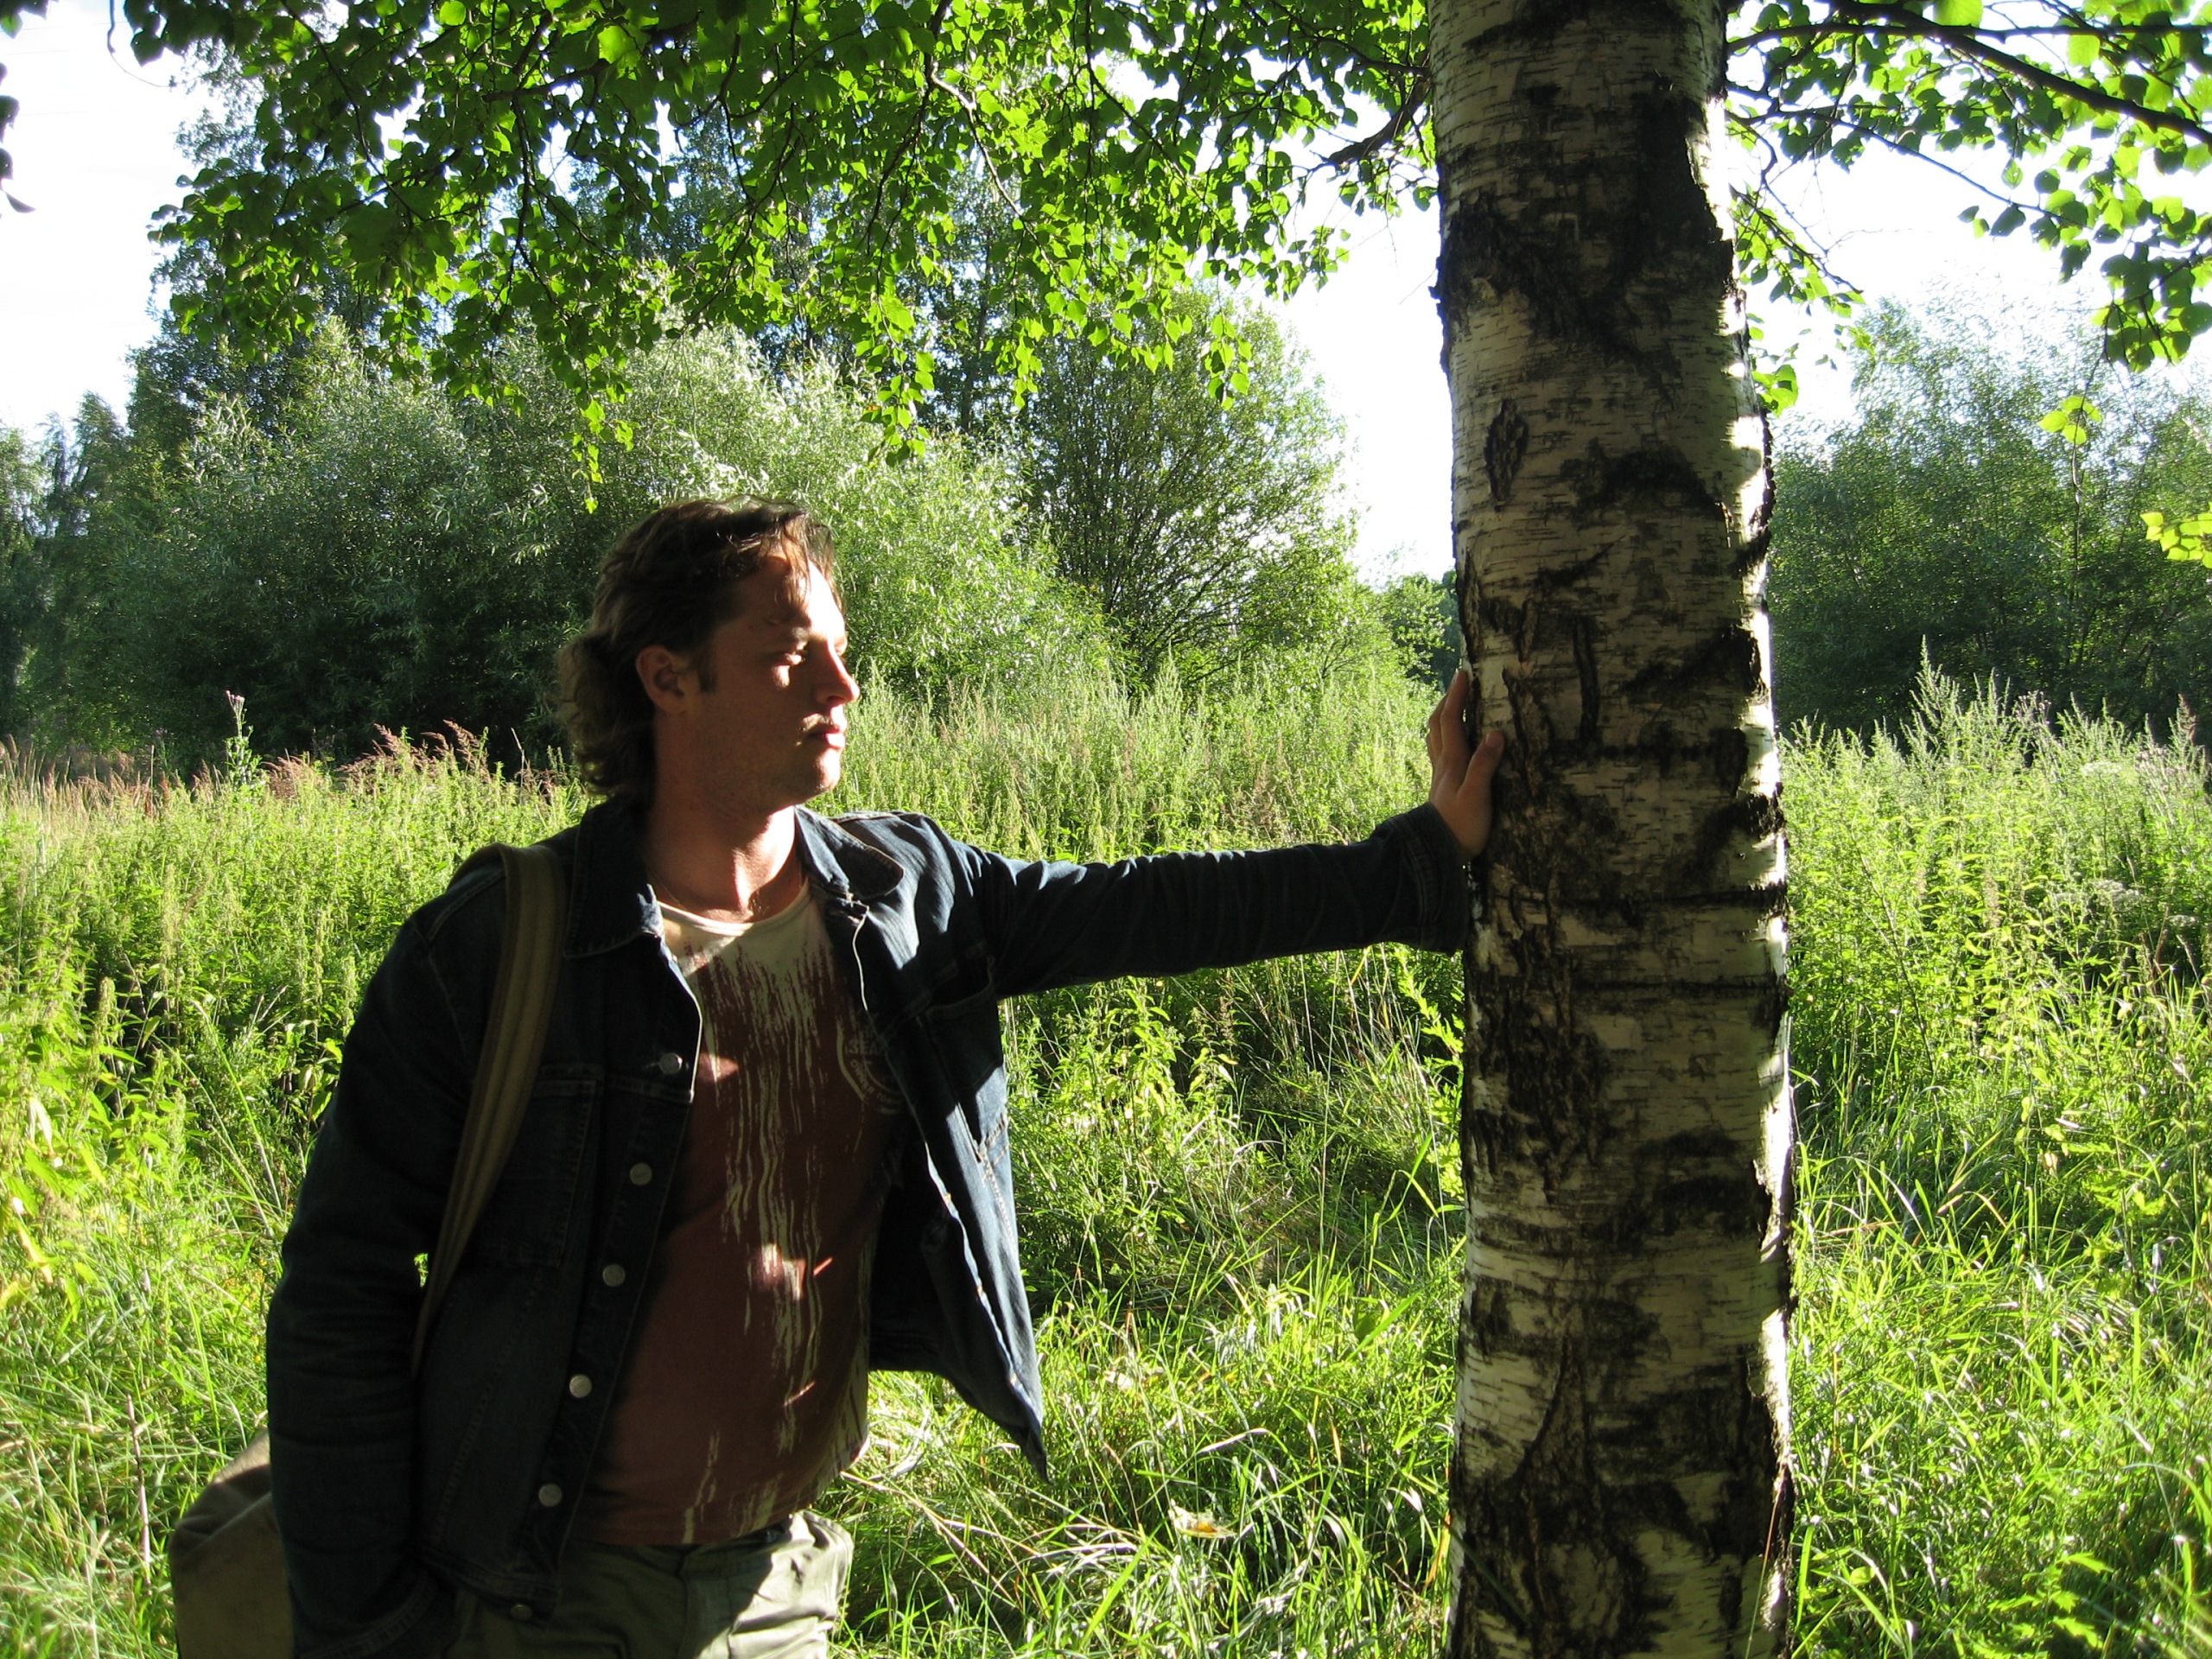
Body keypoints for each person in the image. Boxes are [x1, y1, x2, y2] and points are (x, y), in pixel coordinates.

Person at [264, 498, 1504, 1659]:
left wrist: (1421, 862)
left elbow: (1151, 906)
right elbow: (340, 1286)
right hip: (535, 1594)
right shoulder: (506, 944)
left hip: (776, 1590)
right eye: (789, 657)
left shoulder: (904, 898)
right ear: (667, 677)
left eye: (843, 653)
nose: (842, 689)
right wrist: (365, 1622)